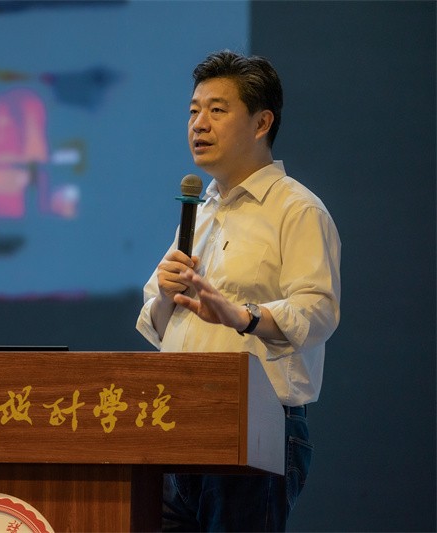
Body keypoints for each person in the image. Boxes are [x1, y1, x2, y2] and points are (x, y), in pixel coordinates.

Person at [135, 50, 341, 531]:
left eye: (217, 110)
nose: (198, 124)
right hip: (177, 420)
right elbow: (159, 324)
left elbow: (318, 311)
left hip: (254, 425)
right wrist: (164, 294)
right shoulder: (202, 209)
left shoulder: (297, 210)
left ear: (261, 123)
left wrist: (244, 316)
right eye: (193, 111)